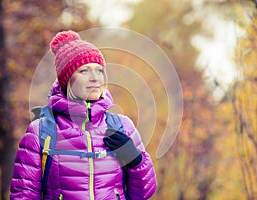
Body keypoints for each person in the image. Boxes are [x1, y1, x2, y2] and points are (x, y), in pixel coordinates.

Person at [10, 30, 157, 200]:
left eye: (99, 70)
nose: (95, 78)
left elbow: (144, 193)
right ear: (67, 80)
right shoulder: (41, 132)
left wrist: (136, 161)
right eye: (84, 71)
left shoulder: (122, 127)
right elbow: (23, 196)